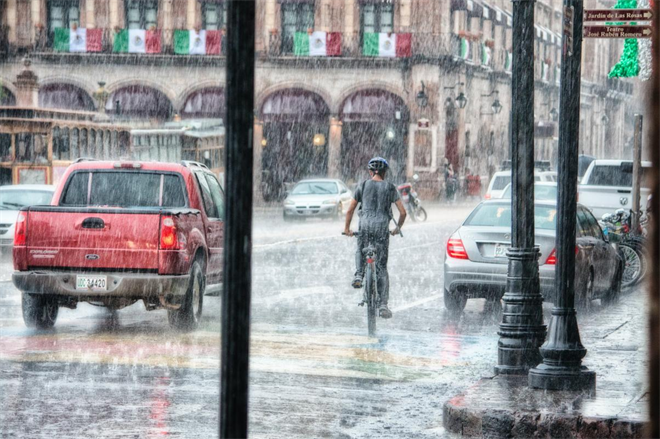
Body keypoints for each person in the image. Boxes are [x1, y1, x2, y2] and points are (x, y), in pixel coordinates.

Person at [343, 157, 407, 319]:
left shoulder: (363, 185)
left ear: (370, 172)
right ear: (385, 173)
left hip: (365, 226)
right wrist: (397, 228)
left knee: (360, 248)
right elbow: (403, 212)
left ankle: (359, 274)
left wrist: (346, 229)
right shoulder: (390, 187)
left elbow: (350, 210)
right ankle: (383, 304)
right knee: (381, 268)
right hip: (381, 229)